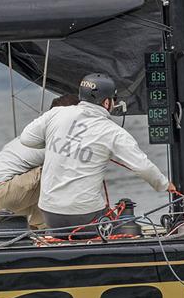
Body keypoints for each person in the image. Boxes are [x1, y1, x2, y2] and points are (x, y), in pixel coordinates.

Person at [20, 73, 175, 232]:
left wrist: (60, 143)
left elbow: (26, 139)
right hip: (85, 216)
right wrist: (164, 185)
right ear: (107, 102)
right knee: (126, 228)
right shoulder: (113, 132)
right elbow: (143, 167)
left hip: (49, 215)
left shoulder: (56, 113)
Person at [0, 94, 80, 229]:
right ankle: (81, 221)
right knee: (62, 171)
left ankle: (40, 231)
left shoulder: (38, 133)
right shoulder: (54, 138)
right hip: (4, 192)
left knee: (50, 184)